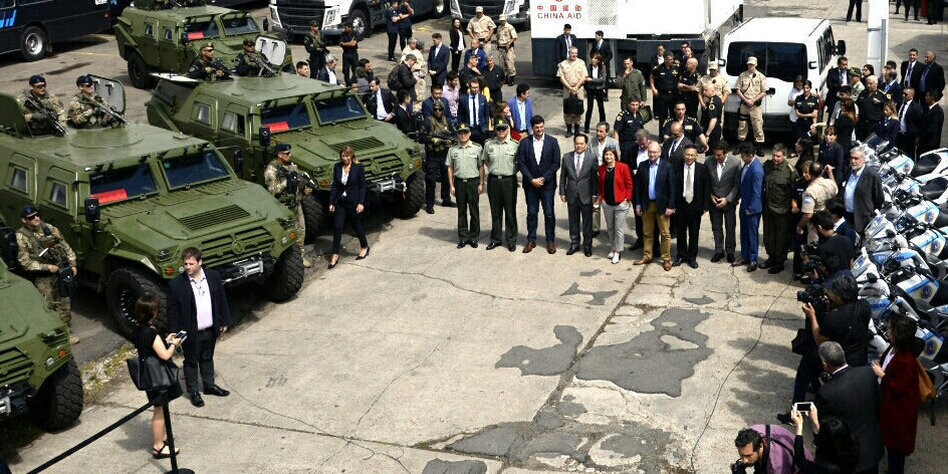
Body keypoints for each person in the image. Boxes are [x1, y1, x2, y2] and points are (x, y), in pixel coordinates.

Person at [166, 247, 231, 408]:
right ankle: (193, 392)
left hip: (210, 328)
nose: (188, 267)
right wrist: (173, 332)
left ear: (200, 262)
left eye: (191, 264)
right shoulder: (176, 284)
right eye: (185, 264)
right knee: (191, 362)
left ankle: (209, 386)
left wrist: (224, 321)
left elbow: (221, 300)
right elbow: (172, 311)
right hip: (190, 332)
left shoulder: (213, 276)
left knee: (207, 357)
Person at [15, 204, 79, 344]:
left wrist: (72, 264)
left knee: (64, 304)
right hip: (43, 278)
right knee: (48, 307)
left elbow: (64, 246)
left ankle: (66, 334)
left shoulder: (49, 228)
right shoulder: (22, 236)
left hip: (60, 272)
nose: (36, 218)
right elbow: (25, 262)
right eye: (31, 217)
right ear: (24, 220)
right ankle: (54, 337)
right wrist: (46, 267)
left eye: (37, 215)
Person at [816, 341, 883, 474]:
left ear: (825, 363)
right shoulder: (868, 373)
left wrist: (827, 387)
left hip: (848, 457)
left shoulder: (826, 392)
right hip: (872, 449)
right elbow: (878, 403)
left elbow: (826, 426)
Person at [132, 295, 184, 459]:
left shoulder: (137, 329)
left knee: (159, 408)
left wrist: (165, 340)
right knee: (159, 409)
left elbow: (148, 348)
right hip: (157, 375)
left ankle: (161, 437)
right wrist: (174, 344)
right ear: (152, 312)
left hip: (148, 373)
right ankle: (158, 446)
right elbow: (165, 355)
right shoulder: (151, 332)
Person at [871, 313, 921, 474]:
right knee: (890, 445)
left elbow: (899, 387)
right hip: (888, 406)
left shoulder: (906, 359)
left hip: (898, 412)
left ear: (897, 334)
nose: (888, 330)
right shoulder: (894, 348)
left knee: (895, 449)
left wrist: (881, 374)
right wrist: (881, 367)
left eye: (890, 329)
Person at [264, 144, 313, 268]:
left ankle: (300, 256)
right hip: (283, 208)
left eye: (289, 153)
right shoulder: (271, 170)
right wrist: (286, 182)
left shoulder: (292, 166)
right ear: (279, 154)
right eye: (287, 153)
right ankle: (289, 260)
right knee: (287, 235)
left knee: (301, 230)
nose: (290, 155)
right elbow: (272, 190)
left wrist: (304, 189)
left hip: (296, 204)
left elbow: (297, 183)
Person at [517, 115, 561, 254]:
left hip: (547, 185)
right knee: (531, 213)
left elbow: (556, 163)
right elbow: (521, 163)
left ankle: (550, 241)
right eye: (537, 127)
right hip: (531, 186)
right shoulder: (525, 143)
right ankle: (531, 240)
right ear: (532, 128)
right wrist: (531, 179)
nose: (540, 129)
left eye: (542, 127)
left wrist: (544, 178)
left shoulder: (552, 142)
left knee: (549, 213)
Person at [634, 142, 676, 271]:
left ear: (659, 153)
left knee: (665, 234)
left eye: (654, 152)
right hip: (647, 204)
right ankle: (647, 256)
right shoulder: (642, 165)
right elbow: (637, 187)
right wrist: (638, 204)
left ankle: (666, 259)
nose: (652, 154)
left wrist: (671, 206)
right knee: (647, 233)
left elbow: (672, 187)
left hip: (662, 206)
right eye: (650, 152)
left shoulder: (667, 166)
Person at [327, 145, 369, 267]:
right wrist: (331, 202)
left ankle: (364, 246)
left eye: (347, 156)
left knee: (356, 225)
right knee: (337, 227)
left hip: (354, 201)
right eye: (343, 156)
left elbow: (362, 186)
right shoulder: (337, 167)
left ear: (351, 155)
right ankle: (335, 254)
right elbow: (335, 185)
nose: (345, 158)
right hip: (341, 202)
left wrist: (361, 203)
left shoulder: (358, 167)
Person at [481, 119, 518, 251]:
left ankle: (511, 239)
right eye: (498, 128)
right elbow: (485, 160)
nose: (501, 131)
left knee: (510, 211)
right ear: (495, 130)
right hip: (494, 181)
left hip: (509, 181)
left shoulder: (515, 145)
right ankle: (496, 239)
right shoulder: (488, 144)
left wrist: (510, 171)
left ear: (508, 129)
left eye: (503, 128)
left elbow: (519, 162)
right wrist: (494, 169)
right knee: (495, 211)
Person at [760, 144, 798, 275]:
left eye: (778, 156)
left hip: (783, 210)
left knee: (781, 238)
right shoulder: (767, 166)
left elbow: (795, 192)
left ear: (784, 156)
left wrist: (793, 207)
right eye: (774, 155)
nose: (775, 158)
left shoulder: (790, 171)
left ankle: (779, 262)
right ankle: (771, 258)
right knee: (769, 236)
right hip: (768, 208)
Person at [446, 123, 484, 248]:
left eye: (465, 132)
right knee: (461, 211)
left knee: (474, 211)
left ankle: (473, 237)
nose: (463, 135)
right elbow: (450, 168)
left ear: (470, 133)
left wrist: (481, 183)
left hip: (473, 182)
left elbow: (481, 167)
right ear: (457, 134)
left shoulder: (477, 148)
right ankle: (463, 237)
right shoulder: (452, 150)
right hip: (459, 183)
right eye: (460, 133)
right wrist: (451, 185)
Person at [560, 133, 598, 257]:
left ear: (586, 145)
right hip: (571, 194)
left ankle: (587, 245)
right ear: (574, 144)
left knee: (587, 222)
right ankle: (574, 243)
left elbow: (594, 178)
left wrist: (594, 194)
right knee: (573, 221)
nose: (579, 146)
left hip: (586, 195)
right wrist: (562, 192)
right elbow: (563, 177)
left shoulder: (592, 158)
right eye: (577, 143)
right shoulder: (567, 157)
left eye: (581, 144)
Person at [790, 409, 860, 474]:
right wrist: (815, 421)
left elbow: (800, 460)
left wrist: (799, 427)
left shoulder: (822, 469)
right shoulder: (851, 450)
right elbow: (822, 441)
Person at [673, 145, 709, 268]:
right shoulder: (676, 168)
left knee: (694, 233)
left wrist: (705, 206)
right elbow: (673, 187)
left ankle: (692, 257)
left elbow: (706, 188)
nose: (689, 157)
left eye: (692, 155)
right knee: (680, 232)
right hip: (680, 204)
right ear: (684, 155)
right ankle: (681, 255)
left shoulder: (702, 169)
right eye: (687, 154)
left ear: (696, 156)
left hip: (695, 205)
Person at [598, 148, 633, 264]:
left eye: (610, 154)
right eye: (606, 155)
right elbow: (600, 185)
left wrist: (627, 198)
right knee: (610, 227)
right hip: (607, 203)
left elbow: (629, 184)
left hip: (621, 204)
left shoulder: (623, 167)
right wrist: (602, 198)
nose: (608, 157)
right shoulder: (601, 168)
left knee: (619, 229)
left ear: (615, 156)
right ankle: (613, 247)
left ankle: (618, 252)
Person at [707, 141, 740, 264]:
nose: (716, 157)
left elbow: (737, 184)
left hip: (729, 202)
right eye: (715, 154)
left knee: (730, 227)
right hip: (714, 201)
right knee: (716, 227)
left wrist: (728, 199)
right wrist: (710, 195)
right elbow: (706, 181)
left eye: (719, 155)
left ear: (725, 153)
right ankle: (719, 251)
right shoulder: (708, 161)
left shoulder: (735, 162)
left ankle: (730, 251)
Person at [841, 148, 884, 236]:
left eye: (856, 158)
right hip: (847, 216)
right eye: (851, 158)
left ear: (863, 159)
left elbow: (879, 198)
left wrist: (868, 212)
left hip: (862, 219)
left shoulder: (871, 175)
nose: (853, 161)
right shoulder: (849, 171)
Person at [734, 142, 763, 272]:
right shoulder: (747, 164)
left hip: (752, 209)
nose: (742, 157)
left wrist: (751, 209)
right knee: (744, 233)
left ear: (750, 155)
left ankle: (753, 259)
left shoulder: (757, 170)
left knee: (752, 234)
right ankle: (744, 256)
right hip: (744, 204)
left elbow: (757, 192)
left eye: (743, 155)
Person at [421, 102, 455, 213]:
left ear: (443, 110)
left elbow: (454, 135)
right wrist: (431, 139)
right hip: (432, 155)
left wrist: (450, 141)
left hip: (444, 154)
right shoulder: (428, 121)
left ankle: (446, 200)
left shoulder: (447, 121)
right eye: (435, 109)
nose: (437, 111)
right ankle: (429, 204)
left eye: (440, 109)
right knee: (431, 180)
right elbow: (421, 137)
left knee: (446, 178)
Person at [731, 424, 804, 473]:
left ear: (760, 447)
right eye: (741, 455)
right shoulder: (752, 433)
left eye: (748, 456)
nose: (744, 461)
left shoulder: (776, 466)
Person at [589, 122, 619, 237]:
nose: (598, 133)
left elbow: (618, 159)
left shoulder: (613, 143)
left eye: (601, 131)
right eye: (597, 131)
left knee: (610, 204)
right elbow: (588, 159)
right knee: (595, 205)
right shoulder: (591, 142)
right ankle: (595, 228)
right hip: (595, 178)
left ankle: (611, 228)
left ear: (607, 132)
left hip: (609, 177)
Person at [797, 161, 838, 244]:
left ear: (810, 173)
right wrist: (830, 174)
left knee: (814, 246)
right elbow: (835, 190)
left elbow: (808, 214)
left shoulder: (810, 192)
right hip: (830, 220)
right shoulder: (829, 183)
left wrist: (799, 226)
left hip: (816, 224)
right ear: (822, 172)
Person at [736, 57, 767, 156]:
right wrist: (746, 100)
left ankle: (759, 148)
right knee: (742, 126)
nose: (750, 66)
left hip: (755, 106)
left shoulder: (761, 76)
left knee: (758, 126)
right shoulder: (742, 75)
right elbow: (738, 90)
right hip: (744, 105)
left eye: (752, 64)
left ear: (756, 65)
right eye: (749, 64)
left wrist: (753, 100)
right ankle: (740, 146)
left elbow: (764, 91)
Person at [558, 46, 587, 137]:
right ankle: (569, 130)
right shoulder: (563, 64)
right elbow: (561, 77)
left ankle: (577, 130)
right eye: (572, 53)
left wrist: (576, 87)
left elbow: (583, 76)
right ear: (569, 53)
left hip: (579, 89)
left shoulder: (581, 63)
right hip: (567, 89)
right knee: (568, 109)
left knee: (578, 109)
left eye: (575, 53)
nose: (574, 55)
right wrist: (570, 87)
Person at [650, 52, 680, 127]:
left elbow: (679, 77)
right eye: (669, 59)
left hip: (674, 95)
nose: (671, 61)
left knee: (674, 115)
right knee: (663, 116)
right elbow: (651, 77)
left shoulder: (676, 68)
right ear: (665, 59)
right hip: (662, 95)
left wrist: (679, 86)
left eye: (672, 59)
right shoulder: (658, 68)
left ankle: (672, 131)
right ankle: (662, 132)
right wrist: (653, 88)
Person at [614, 98, 645, 166]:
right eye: (632, 105)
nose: (635, 107)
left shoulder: (639, 114)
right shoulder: (623, 115)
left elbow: (641, 130)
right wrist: (616, 146)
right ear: (628, 104)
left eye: (636, 105)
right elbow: (616, 131)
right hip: (625, 146)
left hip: (637, 145)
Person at [458, 79, 489, 145]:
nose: (476, 89)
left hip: (480, 129)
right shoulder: (463, 99)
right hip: (468, 129)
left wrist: (485, 126)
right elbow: (460, 115)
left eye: (477, 87)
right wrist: (462, 128)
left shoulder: (483, 98)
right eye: (473, 87)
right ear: (469, 87)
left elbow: (486, 114)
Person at [855, 76, 886, 140]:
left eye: (871, 84)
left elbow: (886, 109)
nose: (868, 85)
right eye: (867, 83)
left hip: (874, 125)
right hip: (862, 125)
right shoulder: (863, 93)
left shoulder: (882, 95)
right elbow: (857, 106)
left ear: (876, 84)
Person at [584, 53, 607, 134]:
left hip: (599, 89)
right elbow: (586, 77)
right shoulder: (588, 67)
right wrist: (592, 80)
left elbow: (602, 79)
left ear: (598, 60)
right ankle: (586, 127)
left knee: (601, 107)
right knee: (589, 108)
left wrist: (592, 79)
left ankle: (603, 125)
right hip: (590, 89)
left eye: (594, 58)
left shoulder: (602, 67)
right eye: (592, 58)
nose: (593, 60)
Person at [897, 88, 924, 157]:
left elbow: (920, 123)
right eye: (902, 93)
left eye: (905, 94)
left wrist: (918, 136)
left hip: (909, 136)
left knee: (908, 155)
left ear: (911, 96)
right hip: (899, 134)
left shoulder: (916, 107)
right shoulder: (900, 103)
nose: (903, 95)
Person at [919, 89, 944, 154]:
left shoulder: (937, 111)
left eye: (927, 96)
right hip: (924, 145)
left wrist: (920, 139)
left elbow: (931, 130)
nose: (925, 98)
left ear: (932, 98)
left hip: (930, 146)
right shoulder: (928, 109)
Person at [494, 15, 517, 86]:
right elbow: (497, 37)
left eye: (503, 20)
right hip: (501, 48)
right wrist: (497, 43)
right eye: (501, 20)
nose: (502, 21)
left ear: (505, 20)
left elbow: (514, 37)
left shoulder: (510, 27)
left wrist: (509, 43)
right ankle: (505, 78)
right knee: (502, 65)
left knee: (510, 64)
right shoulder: (499, 28)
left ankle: (512, 79)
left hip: (508, 48)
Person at [700, 83, 723, 153]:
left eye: (706, 90)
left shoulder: (712, 103)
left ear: (712, 91)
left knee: (711, 151)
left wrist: (707, 135)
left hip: (712, 130)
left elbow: (713, 120)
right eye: (703, 90)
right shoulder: (716, 99)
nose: (703, 92)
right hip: (713, 129)